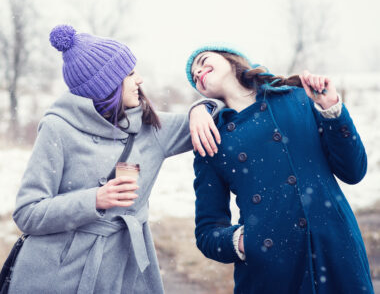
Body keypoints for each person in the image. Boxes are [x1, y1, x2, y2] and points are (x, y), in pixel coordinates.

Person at [7, 25, 223, 294]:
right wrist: (94, 199)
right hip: (57, 275)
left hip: (124, 275)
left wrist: (200, 109)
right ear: (107, 85)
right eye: (130, 74)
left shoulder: (151, 128)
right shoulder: (58, 128)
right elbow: (28, 213)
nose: (140, 80)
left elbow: (229, 113)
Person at [185, 46, 374, 294]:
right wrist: (245, 241)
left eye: (202, 61)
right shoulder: (211, 139)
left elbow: (354, 171)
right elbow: (208, 233)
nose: (197, 71)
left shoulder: (296, 98)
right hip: (271, 273)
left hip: (336, 251)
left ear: (229, 58)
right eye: (193, 76)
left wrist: (332, 110)